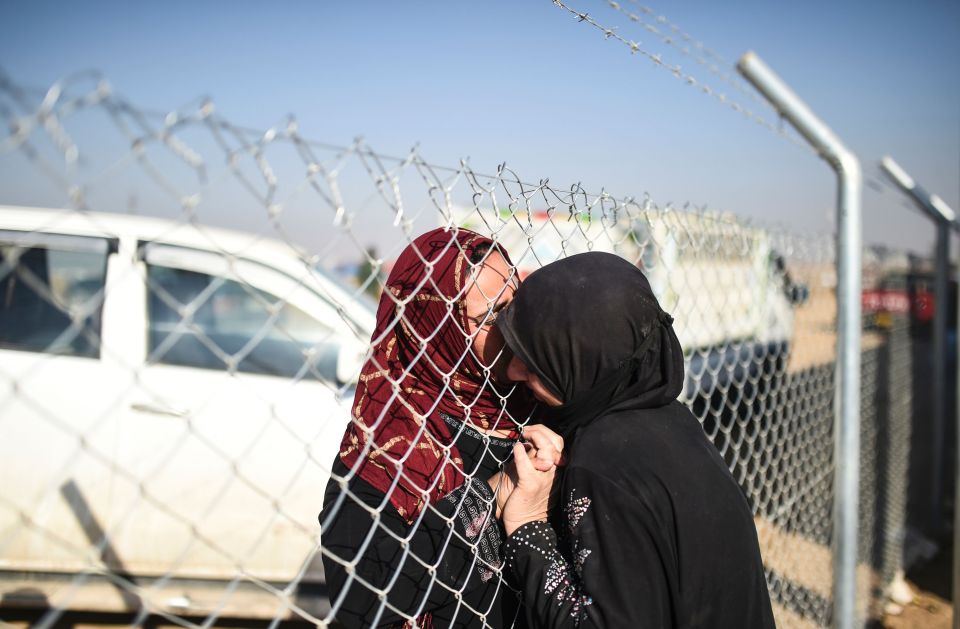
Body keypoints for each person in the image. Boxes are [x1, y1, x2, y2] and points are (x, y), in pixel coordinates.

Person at [492, 251, 776, 628]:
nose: (513, 370)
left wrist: (528, 526)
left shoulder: (602, 461)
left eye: (537, 358)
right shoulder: (672, 421)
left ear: (587, 360)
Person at [320, 228, 562, 628]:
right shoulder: (385, 449)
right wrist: (488, 497)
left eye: (516, 303)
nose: (517, 328)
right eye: (492, 317)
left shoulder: (540, 403)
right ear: (435, 330)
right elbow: (361, 603)